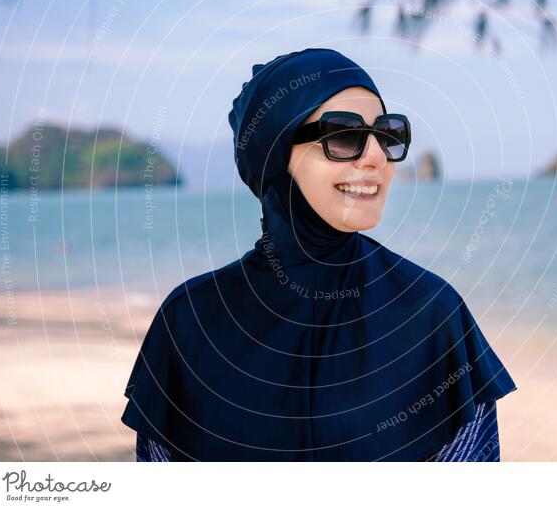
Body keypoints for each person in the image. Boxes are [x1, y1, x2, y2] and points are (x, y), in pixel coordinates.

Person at [121, 48, 517, 461]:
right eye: (344, 135)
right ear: (276, 155)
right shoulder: (189, 322)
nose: (378, 157)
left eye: (387, 134)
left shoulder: (432, 313)